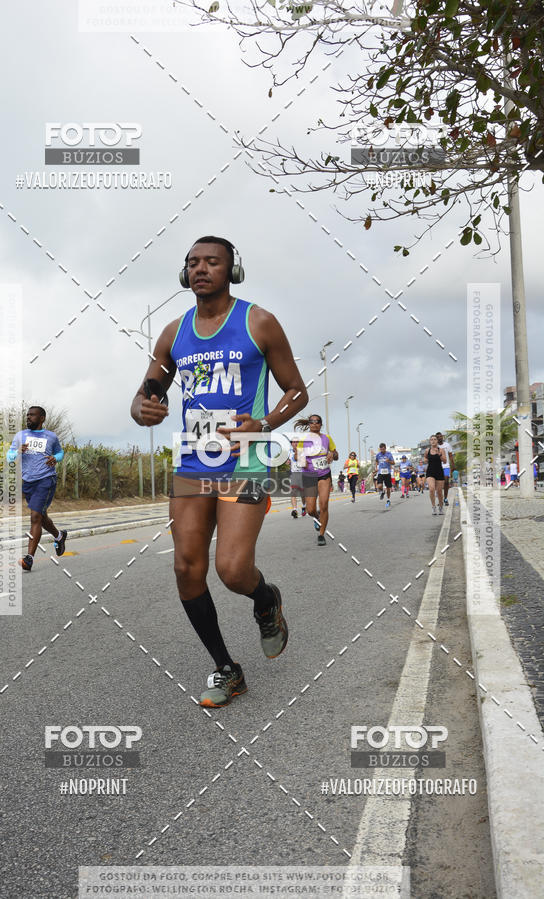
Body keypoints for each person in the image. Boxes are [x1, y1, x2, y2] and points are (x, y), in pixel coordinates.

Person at [130, 236, 308, 708]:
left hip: (250, 461)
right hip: (193, 461)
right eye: (193, 263)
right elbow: (147, 390)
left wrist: (264, 423)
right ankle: (226, 669)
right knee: (186, 569)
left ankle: (265, 599)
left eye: (212, 262)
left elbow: (297, 392)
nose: (201, 269)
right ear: (184, 273)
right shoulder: (172, 333)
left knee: (231, 570)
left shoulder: (258, 322)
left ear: (233, 270)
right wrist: (142, 408)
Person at [7, 406, 67, 571]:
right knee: (41, 517)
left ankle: (29, 558)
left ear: (42, 418)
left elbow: (60, 453)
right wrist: (17, 451)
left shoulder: (51, 437)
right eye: (27, 415)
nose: (28, 418)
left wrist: (55, 458)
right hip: (28, 482)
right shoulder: (21, 435)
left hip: (46, 480)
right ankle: (59, 536)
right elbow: (9, 457)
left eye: (32, 415)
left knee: (35, 517)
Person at [294, 414, 338, 545]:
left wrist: (332, 453)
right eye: (311, 422)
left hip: (324, 474)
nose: (314, 424)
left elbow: (336, 454)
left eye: (317, 421)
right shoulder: (303, 440)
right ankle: (317, 518)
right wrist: (302, 460)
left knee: (324, 504)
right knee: (310, 510)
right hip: (309, 475)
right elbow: (298, 457)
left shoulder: (327, 438)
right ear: (309, 424)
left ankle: (321, 535)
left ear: (321, 424)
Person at [424, 434, 447, 515]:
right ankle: (433, 507)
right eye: (431, 439)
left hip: (439, 472)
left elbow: (445, 461)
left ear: (437, 441)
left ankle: (440, 507)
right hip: (430, 472)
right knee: (431, 489)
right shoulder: (427, 450)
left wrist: (439, 454)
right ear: (430, 441)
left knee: (439, 492)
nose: (433, 441)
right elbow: (425, 458)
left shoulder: (441, 450)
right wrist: (425, 461)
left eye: (434, 439)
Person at [435, 431, 455, 506]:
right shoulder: (435, 446)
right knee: (439, 484)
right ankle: (440, 499)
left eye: (440, 436)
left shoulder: (447, 445)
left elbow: (450, 456)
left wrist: (453, 465)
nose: (440, 438)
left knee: (446, 481)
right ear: (436, 438)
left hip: (446, 466)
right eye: (438, 437)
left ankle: (445, 498)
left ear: (442, 437)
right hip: (438, 467)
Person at [374, 442, 394, 509]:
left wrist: (389, 461)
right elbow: (376, 461)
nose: (382, 451)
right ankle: (382, 492)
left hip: (387, 472)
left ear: (385, 448)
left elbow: (393, 462)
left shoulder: (389, 454)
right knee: (379, 486)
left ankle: (388, 500)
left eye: (383, 449)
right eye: (381, 449)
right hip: (380, 472)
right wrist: (376, 467)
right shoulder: (378, 455)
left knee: (388, 488)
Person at [288, 440, 305, 518]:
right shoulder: (289, 452)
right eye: (294, 442)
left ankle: (304, 506)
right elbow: (287, 462)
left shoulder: (302, 451)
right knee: (293, 492)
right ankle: (294, 510)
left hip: (302, 474)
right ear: (291, 444)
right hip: (294, 474)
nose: (295, 443)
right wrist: (287, 463)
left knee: (302, 493)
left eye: (297, 442)